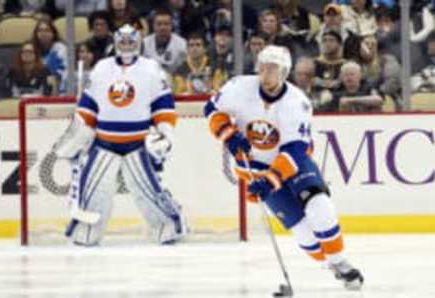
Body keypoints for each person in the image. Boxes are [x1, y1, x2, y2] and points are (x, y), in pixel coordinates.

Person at [203, 45, 364, 290]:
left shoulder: (297, 103)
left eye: (273, 68)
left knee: (319, 205)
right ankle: (329, 264)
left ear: (284, 72)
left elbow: (294, 151)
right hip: (256, 168)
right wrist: (228, 133)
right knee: (303, 233)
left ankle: (340, 262)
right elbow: (212, 109)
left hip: (294, 164)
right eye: (263, 67)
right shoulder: (239, 87)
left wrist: (270, 181)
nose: (266, 73)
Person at [52, 24, 188, 246]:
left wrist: (165, 132)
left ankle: (170, 225)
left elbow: (163, 105)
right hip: (104, 142)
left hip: (138, 143)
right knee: (94, 191)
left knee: (147, 192)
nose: (126, 46)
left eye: (130, 42)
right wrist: (78, 136)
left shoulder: (152, 69)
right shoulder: (101, 68)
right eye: (122, 42)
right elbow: (88, 107)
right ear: (115, 43)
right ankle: (88, 229)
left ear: (139, 43)